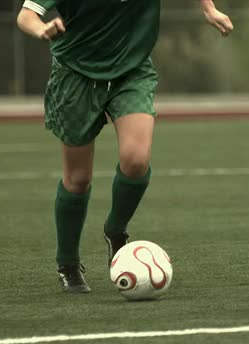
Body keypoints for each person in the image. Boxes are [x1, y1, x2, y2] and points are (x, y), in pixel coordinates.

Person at [16, 0, 233, 293]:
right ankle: (67, 264)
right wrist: (41, 29)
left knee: (136, 160)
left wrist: (209, 9)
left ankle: (115, 230)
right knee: (78, 179)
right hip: (75, 74)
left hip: (132, 71)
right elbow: (26, 15)